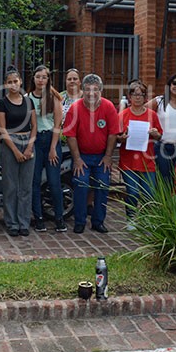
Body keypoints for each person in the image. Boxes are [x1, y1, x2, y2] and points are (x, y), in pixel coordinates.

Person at [63, 73, 119, 234]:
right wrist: (77, 159)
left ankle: (98, 221)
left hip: (102, 157)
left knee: (103, 185)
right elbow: (70, 135)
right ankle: (79, 221)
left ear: (100, 91)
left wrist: (108, 156)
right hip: (82, 156)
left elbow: (113, 133)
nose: (91, 93)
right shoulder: (75, 108)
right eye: (87, 89)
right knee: (80, 184)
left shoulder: (108, 107)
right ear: (83, 90)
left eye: (95, 89)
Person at [0, 68, 37, 237]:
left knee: (25, 187)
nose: (13, 85)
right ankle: (12, 222)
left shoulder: (28, 102)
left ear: (20, 82)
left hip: (28, 141)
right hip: (10, 143)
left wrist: (29, 147)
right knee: (10, 186)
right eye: (9, 82)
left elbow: (34, 125)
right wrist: (15, 151)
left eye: (15, 81)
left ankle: (24, 222)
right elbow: (2, 129)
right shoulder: (2, 103)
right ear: (6, 84)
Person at [117, 80, 162, 223]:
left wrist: (155, 134)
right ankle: (131, 217)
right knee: (133, 191)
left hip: (147, 160)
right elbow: (116, 137)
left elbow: (160, 135)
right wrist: (121, 138)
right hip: (128, 160)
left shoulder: (152, 115)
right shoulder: (123, 115)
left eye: (141, 94)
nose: (137, 97)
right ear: (129, 97)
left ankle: (146, 219)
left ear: (145, 97)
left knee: (149, 192)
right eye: (134, 94)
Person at [27, 65, 65, 232]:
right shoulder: (28, 98)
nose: (41, 80)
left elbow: (57, 124)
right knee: (34, 182)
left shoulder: (53, 98)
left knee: (54, 181)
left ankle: (59, 218)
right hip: (35, 141)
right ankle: (39, 218)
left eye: (44, 77)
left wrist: (53, 148)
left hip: (51, 140)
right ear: (33, 78)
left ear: (48, 79)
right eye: (38, 77)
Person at [145, 72, 176, 182]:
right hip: (163, 146)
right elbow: (142, 112)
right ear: (169, 84)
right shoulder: (159, 101)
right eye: (174, 83)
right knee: (165, 179)